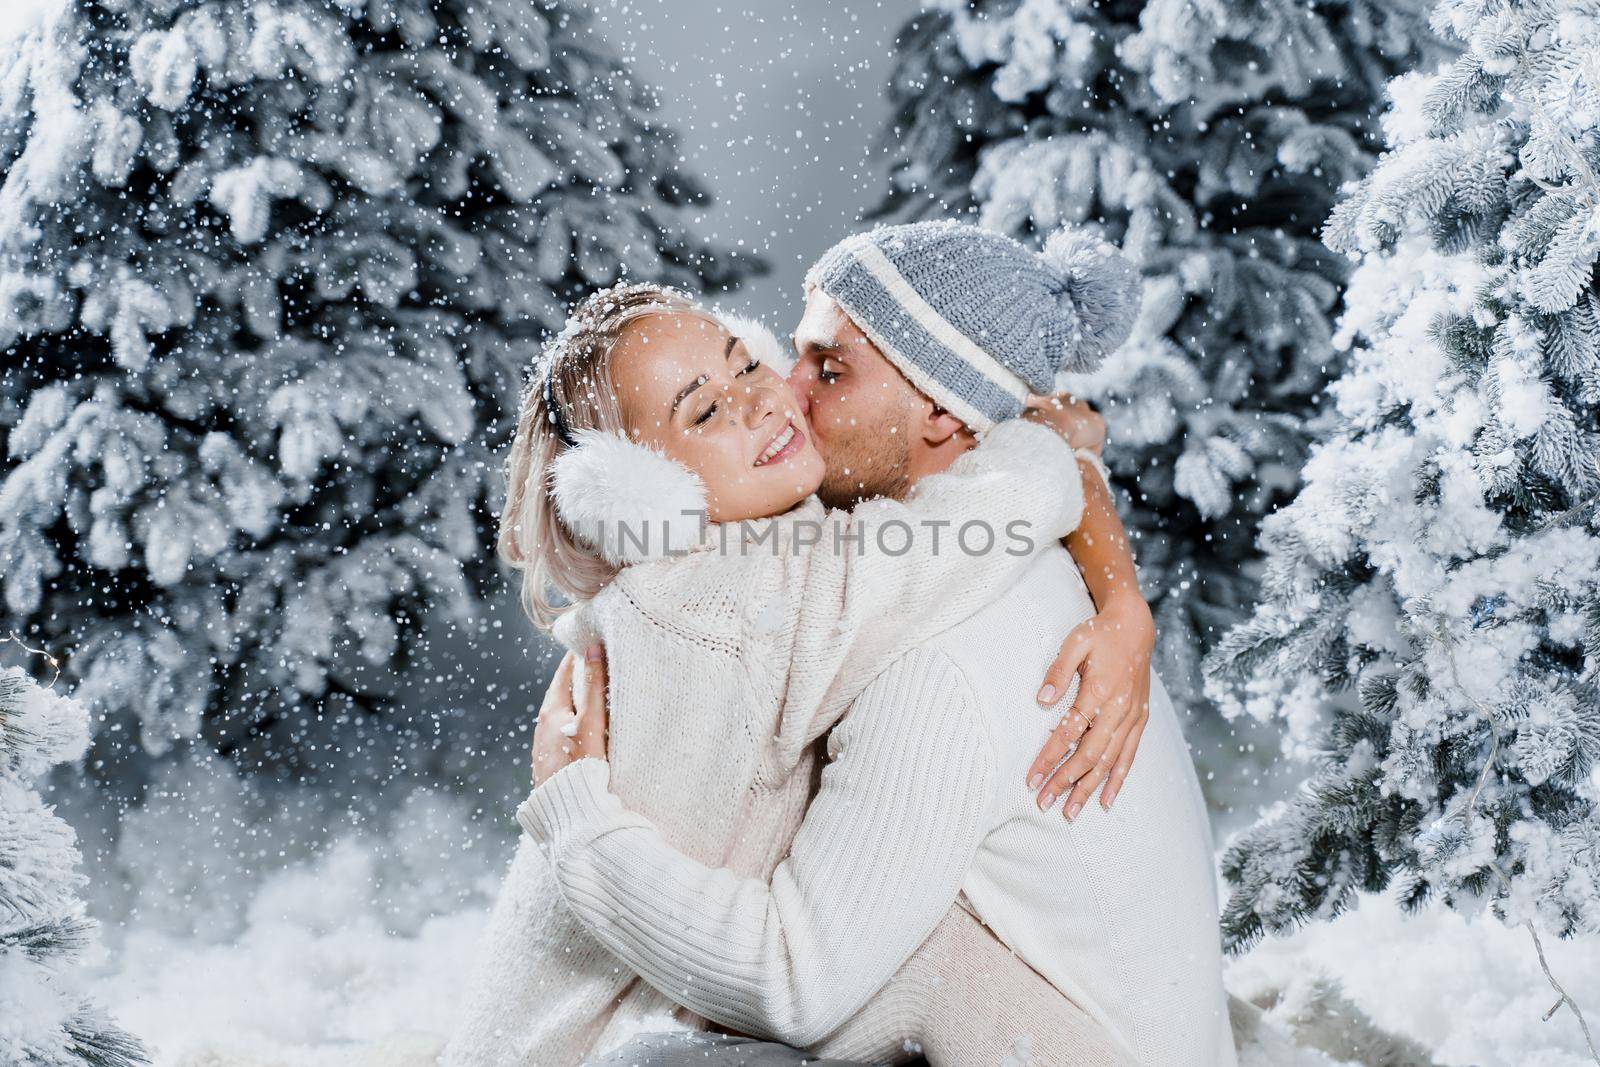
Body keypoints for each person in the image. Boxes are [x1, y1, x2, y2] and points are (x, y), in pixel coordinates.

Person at [517, 224, 1237, 1065]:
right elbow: (1043, 449)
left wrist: (575, 815)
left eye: (830, 369)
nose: (786, 389)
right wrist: (1123, 599)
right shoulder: (985, 542)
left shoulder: (932, 660)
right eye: (787, 353)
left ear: (939, 410)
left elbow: (794, 983)